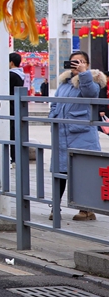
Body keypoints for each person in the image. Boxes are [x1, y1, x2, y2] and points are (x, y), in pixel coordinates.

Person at [48, 51, 105, 221]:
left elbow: (90, 93)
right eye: (73, 62)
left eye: (80, 62)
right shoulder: (64, 84)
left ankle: (86, 210)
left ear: (87, 64)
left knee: (81, 173)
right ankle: (55, 207)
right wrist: (53, 117)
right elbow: (54, 103)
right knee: (59, 172)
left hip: (81, 135)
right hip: (61, 134)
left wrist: (84, 73)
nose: (76, 65)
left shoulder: (91, 81)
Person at [9, 52, 26, 162]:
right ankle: (16, 157)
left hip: (9, 106)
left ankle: (13, 157)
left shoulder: (10, 75)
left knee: (11, 133)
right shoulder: (20, 74)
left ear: (11, 62)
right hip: (16, 105)